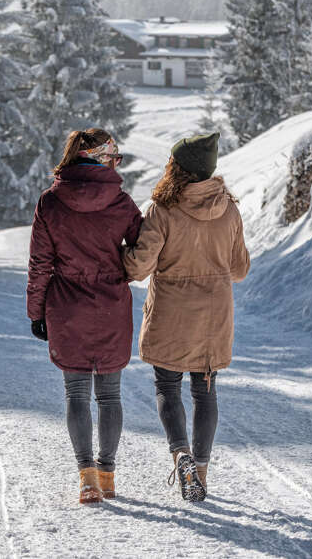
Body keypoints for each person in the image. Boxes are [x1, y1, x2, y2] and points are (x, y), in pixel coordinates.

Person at [122, 132, 250, 502]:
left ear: (177, 169)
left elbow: (138, 268)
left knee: (167, 387)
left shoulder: (162, 210)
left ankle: (181, 455)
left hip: (172, 314)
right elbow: (239, 269)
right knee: (205, 392)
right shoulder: (229, 208)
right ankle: (202, 472)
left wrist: (123, 254)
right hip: (214, 317)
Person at [27, 128, 142, 504]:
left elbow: (40, 264)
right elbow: (144, 249)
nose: (116, 163)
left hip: (66, 303)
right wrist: (124, 270)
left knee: (76, 393)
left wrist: (36, 311)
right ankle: (107, 474)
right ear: (102, 158)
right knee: (110, 396)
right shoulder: (122, 202)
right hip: (111, 302)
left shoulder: (50, 202)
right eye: (114, 157)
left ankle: (86, 477)